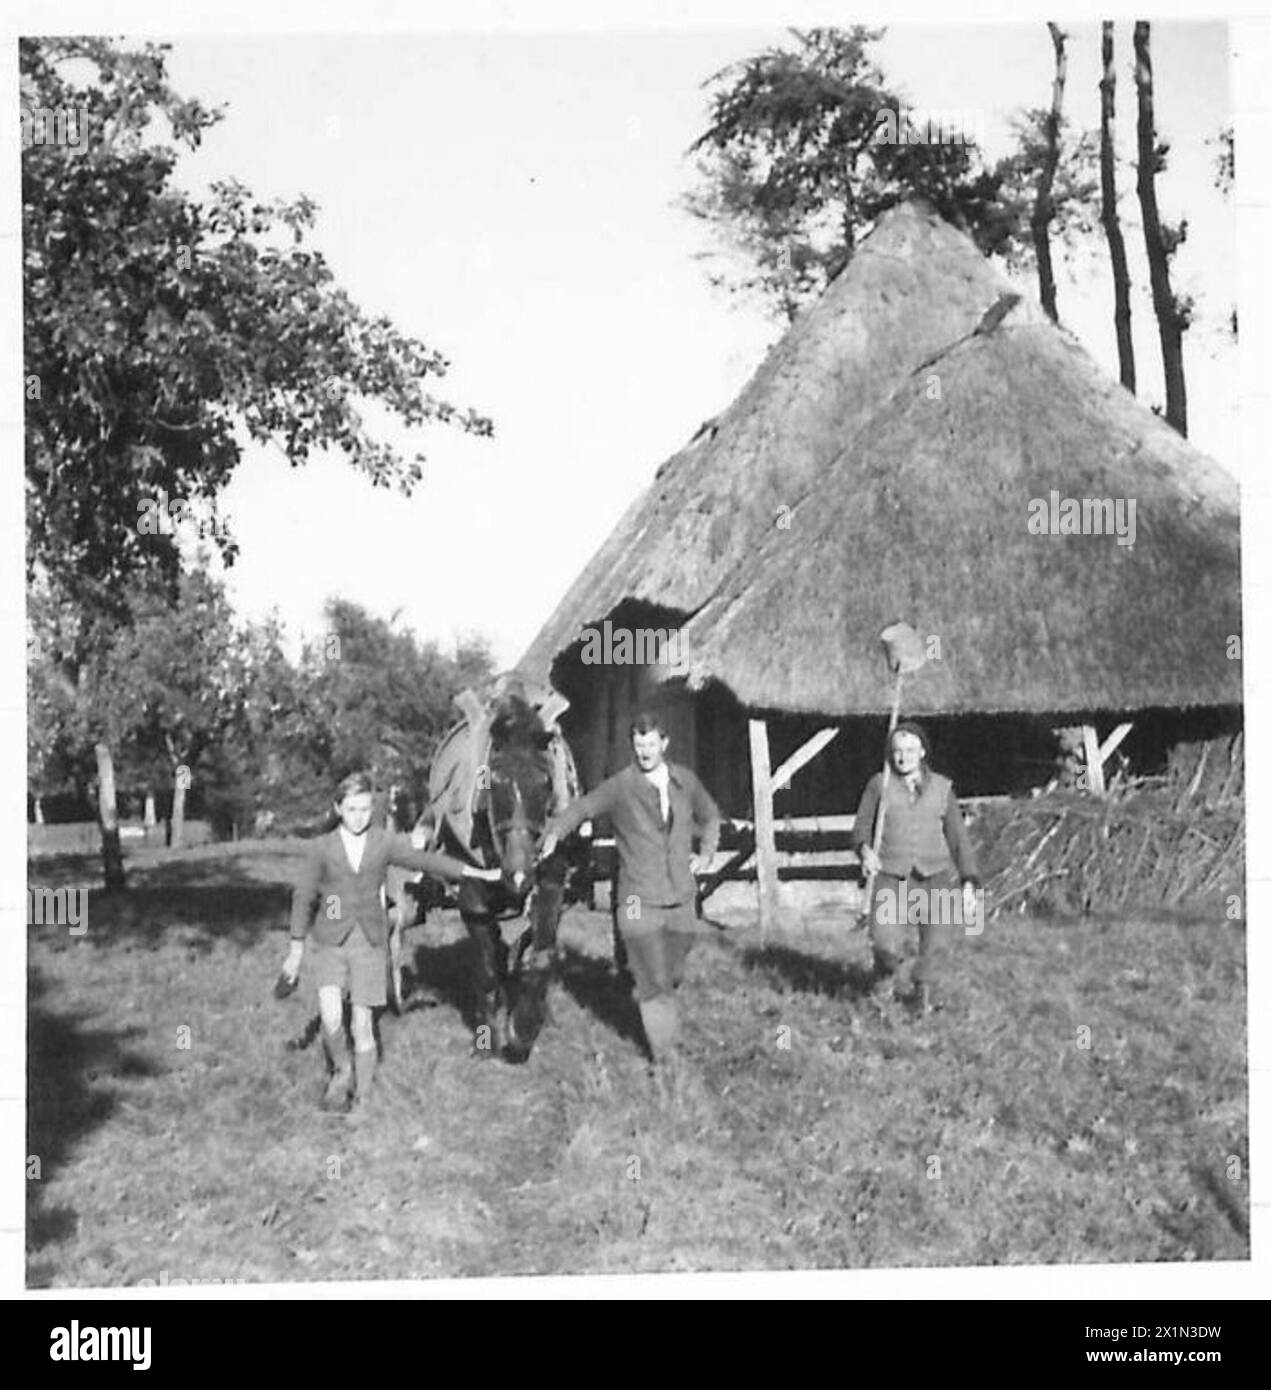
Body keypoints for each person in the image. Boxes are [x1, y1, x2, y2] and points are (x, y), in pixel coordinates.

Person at [278, 771, 500, 1114]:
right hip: (330, 944)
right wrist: (295, 950)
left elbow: (426, 860)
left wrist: (475, 873)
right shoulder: (321, 848)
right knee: (332, 1018)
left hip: (369, 943)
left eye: (365, 809)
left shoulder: (382, 842)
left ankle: (363, 1097)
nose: (358, 817)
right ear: (338, 808)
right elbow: (303, 896)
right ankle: (341, 1070)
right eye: (351, 809)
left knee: (362, 1024)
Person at [539, 712, 720, 1062]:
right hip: (637, 898)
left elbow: (711, 815)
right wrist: (555, 833)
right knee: (652, 977)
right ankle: (665, 1057)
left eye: (650, 744)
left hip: (681, 896)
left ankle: (653, 998)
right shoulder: (621, 785)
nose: (644, 753)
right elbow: (583, 808)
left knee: (673, 972)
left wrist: (707, 854)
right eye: (638, 746)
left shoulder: (686, 781)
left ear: (664, 744)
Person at [851, 721, 979, 1015]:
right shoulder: (878, 785)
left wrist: (969, 880)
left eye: (910, 750)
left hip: (935, 876)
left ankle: (923, 997)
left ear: (922, 751)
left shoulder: (942, 787)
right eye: (897, 751)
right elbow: (860, 830)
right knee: (884, 942)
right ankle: (882, 986)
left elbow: (958, 838)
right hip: (891, 876)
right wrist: (864, 850)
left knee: (937, 942)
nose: (903, 757)